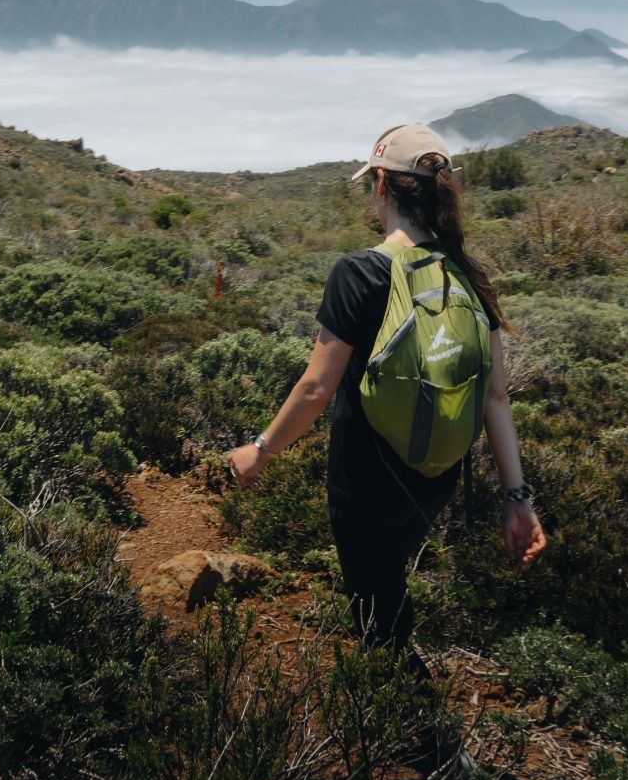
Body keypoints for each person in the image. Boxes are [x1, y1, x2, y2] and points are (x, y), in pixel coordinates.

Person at [227, 122, 546, 681]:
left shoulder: (361, 272)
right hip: (436, 475)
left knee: (377, 613)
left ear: (381, 184)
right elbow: (496, 396)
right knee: (388, 573)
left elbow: (316, 388)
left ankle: (418, 732)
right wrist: (516, 498)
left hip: (366, 480)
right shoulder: (468, 275)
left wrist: (261, 451)